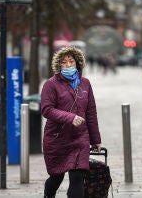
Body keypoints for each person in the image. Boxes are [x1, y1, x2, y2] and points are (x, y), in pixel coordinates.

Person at [41, 46, 102, 198]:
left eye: (71, 61)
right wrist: (70, 118)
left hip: (80, 138)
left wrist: (95, 140)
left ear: (77, 63)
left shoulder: (85, 84)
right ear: (59, 65)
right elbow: (46, 110)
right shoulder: (50, 84)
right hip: (57, 138)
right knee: (56, 177)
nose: (68, 65)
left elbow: (91, 113)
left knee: (77, 178)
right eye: (64, 62)